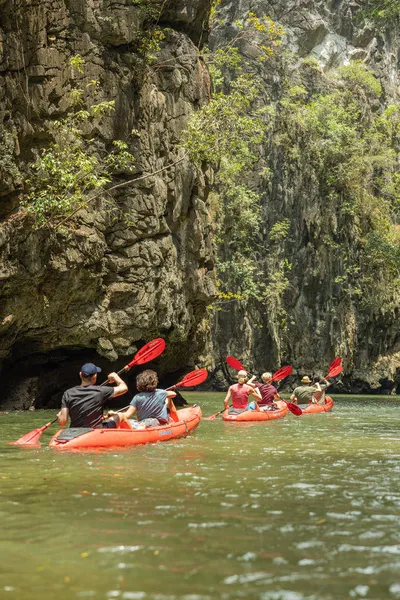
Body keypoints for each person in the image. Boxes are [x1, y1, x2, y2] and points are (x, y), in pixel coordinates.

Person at [57, 363, 128, 429]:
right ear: (95, 376)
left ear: (80, 375)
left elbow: (63, 422)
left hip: (75, 433)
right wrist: (115, 377)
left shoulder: (68, 393)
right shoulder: (101, 391)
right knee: (121, 416)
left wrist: (59, 416)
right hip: (96, 432)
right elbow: (124, 388)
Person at [112, 369, 177, 429]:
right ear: (155, 382)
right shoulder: (161, 393)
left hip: (142, 422)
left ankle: (137, 427)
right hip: (157, 423)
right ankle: (177, 421)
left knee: (131, 421)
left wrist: (116, 415)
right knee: (168, 399)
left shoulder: (137, 397)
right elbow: (173, 394)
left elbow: (127, 414)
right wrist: (165, 393)